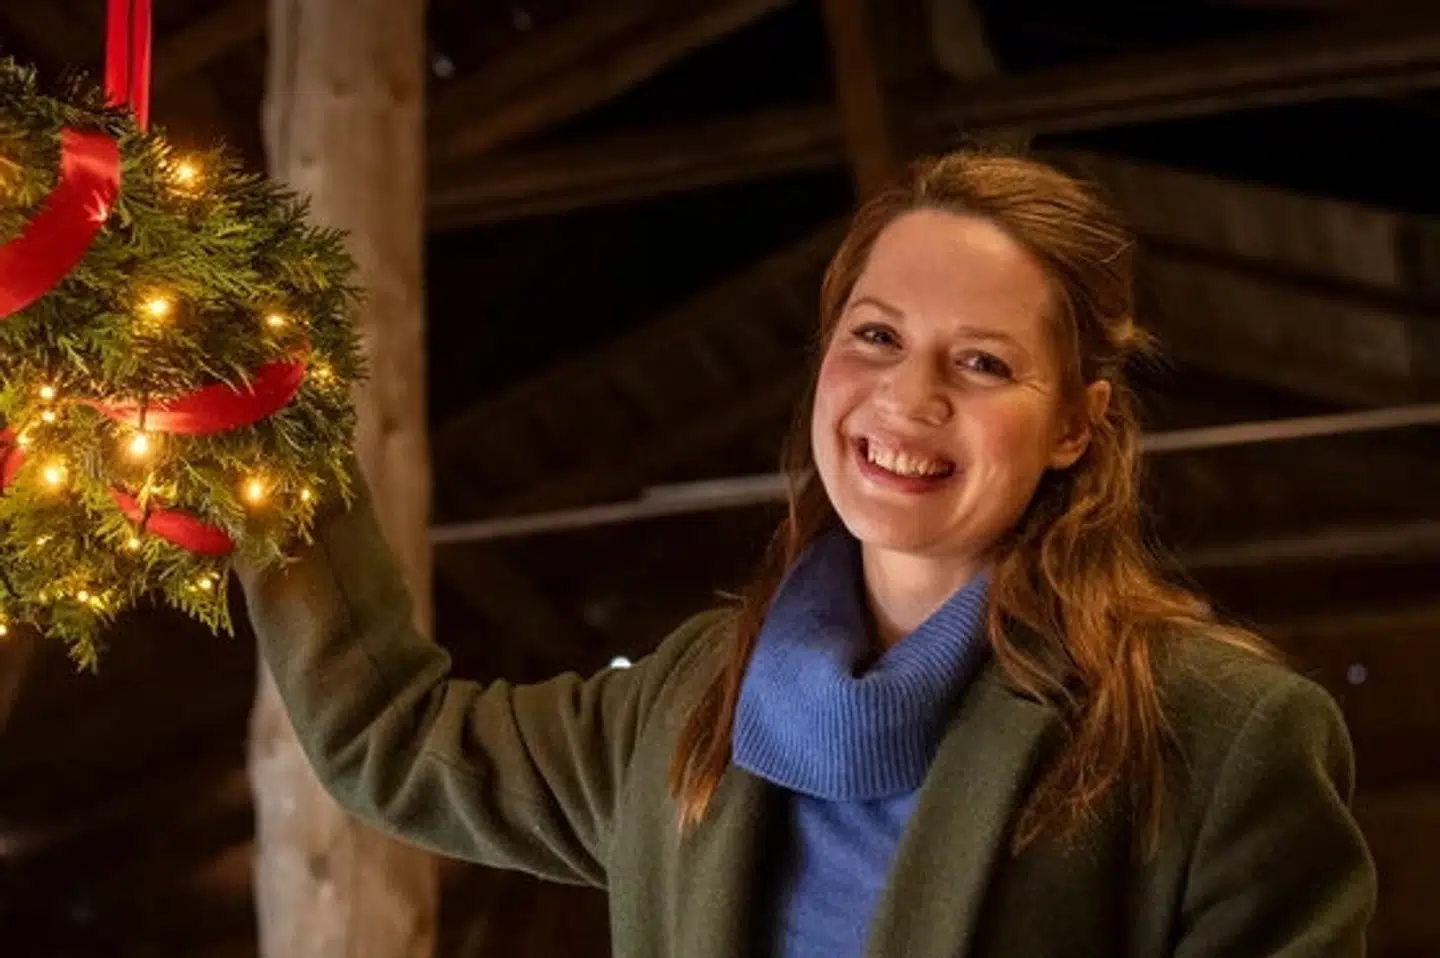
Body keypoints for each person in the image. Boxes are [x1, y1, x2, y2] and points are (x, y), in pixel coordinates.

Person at [239, 150, 1377, 957]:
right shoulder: (689, 703)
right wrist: (246, 433)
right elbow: (387, 736)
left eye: (982, 363)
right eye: (875, 335)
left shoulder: (1218, 738)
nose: (909, 397)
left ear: (1076, 424)